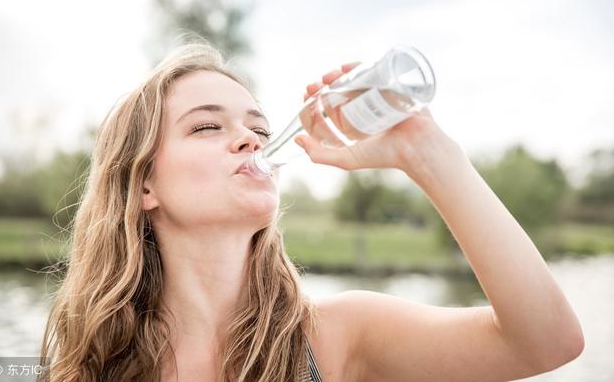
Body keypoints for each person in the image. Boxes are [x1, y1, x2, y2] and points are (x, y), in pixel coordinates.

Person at [39, 39, 584, 382]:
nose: (249, 141)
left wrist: (426, 153)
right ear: (143, 186)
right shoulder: (89, 361)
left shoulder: (336, 337)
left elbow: (546, 342)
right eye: (208, 126)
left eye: (258, 129)